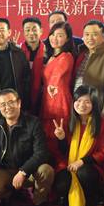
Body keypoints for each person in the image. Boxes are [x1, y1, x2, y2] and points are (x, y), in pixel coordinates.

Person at [0, 89, 54, 206]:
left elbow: (41, 152)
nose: (7, 107)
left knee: (46, 171)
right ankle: (8, 195)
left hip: (29, 171)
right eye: (3, 104)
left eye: (11, 102)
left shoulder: (33, 123)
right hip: (5, 170)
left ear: (19, 103)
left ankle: (40, 201)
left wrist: (23, 171)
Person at [52, 86, 104, 206]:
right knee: (61, 183)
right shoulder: (68, 121)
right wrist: (61, 139)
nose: (82, 105)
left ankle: (91, 203)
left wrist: (81, 161)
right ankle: (68, 201)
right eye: (78, 101)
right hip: (68, 164)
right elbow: (62, 152)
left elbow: (103, 153)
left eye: (87, 102)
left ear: (94, 104)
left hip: (92, 166)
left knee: (84, 173)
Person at [40, 22, 76, 165]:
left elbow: (57, 74)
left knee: (58, 132)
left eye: (60, 35)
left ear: (67, 39)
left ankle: (61, 166)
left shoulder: (66, 56)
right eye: (53, 34)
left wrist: (52, 86)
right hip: (47, 99)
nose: (55, 38)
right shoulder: (50, 56)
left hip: (59, 99)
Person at [73, 20, 104, 117]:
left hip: (97, 114)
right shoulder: (81, 54)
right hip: (77, 111)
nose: (90, 38)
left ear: (103, 35)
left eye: (94, 34)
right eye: (87, 34)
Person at [20, 17, 46, 114]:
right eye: (27, 30)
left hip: (43, 97)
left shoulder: (48, 52)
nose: (31, 33)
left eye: (34, 29)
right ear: (23, 32)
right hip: (22, 97)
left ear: (41, 31)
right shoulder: (17, 53)